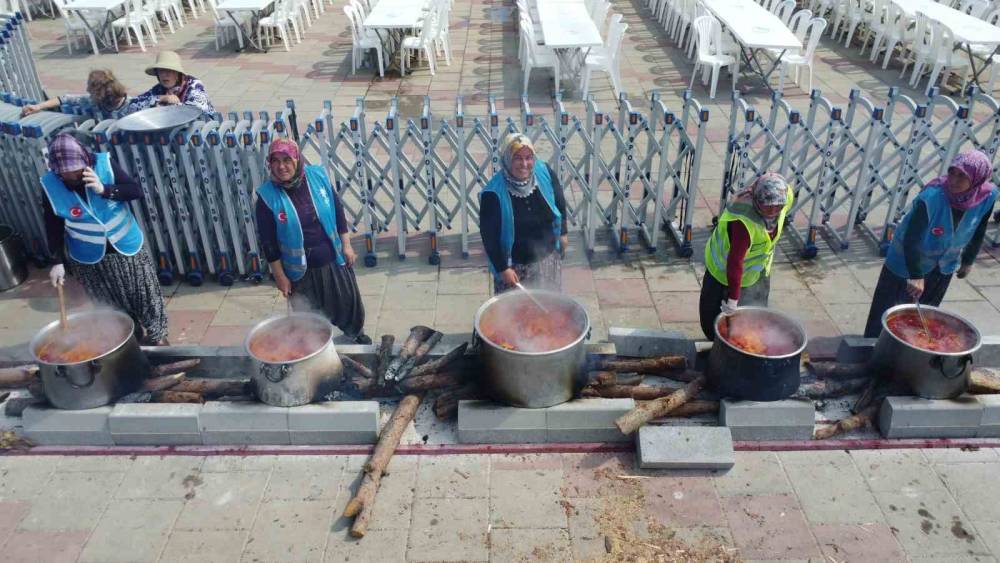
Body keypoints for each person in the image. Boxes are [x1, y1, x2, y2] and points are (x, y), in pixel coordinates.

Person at [42, 131, 169, 345]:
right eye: (64, 174)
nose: (71, 177)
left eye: (76, 171)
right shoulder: (50, 184)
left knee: (145, 298)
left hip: (126, 248)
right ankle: (131, 339)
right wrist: (56, 261)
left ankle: (159, 339)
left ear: (85, 161)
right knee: (111, 305)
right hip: (89, 258)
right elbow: (52, 224)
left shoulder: (104, 164)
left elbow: (135, 191)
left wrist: (105, 189)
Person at [863, 150, 998, 337]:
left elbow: (980, 226)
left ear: (977, 180)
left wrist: (968, 260)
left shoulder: (987, 196)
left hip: (943, 266)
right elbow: (912, 238)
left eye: (962, 176)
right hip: (906, 263)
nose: (954, 180)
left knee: (922, 318)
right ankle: (871, 352)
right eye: (952, 172)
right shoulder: (932, 197)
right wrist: (916, 274)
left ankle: (909, 355)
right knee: (885, 316)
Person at [255, 139, 371, 344]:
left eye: (287, 160)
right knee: (308, 318)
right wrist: (280, 276)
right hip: (300, 272)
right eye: (275, 161)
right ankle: (316, 351)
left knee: (347, 303)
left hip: (332, 260)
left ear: (297, 160)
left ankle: (356, 336)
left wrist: (346, 245)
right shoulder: (267, 198)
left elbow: (337, 210)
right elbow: (269, 244)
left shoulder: (317, 176)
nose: (281, 166)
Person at [700, 172, 795, 340]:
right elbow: (735, 262)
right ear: (757, 201)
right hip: (723, 271)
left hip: (757, 271)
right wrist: (733, 300)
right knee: (712, 319)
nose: (772, 211)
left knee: (754, 320)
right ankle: (716, 345)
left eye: (777, 206)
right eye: (767, 206)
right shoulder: (743, 222)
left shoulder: (785, 197)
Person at [480, 133, 569, 294]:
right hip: (514, 268)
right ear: (507, 159)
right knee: (515, 315)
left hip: (547, 259)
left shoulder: (544, 172)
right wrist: (502, 268)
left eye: (529, 158)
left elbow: (559, 201)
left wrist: (563, 232)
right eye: (517, 158)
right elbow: (489, 237)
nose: (524, 164)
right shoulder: (493, 194)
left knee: (549, 308)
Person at [125, 51, 215, 115]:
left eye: (169, 71)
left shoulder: (194, 86)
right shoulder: (159, 89)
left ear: (177, 74)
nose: (165, 75)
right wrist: (162, 98)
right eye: (161, 71)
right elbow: (131, 106)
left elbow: (195, 112)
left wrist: (173, 103)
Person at [21, 69, 131, 119]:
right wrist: (38, 106)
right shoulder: (92, 101)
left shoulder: (132, 105)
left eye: (91, 88)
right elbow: (64, 99)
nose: (87, 90)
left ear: (101, 93)